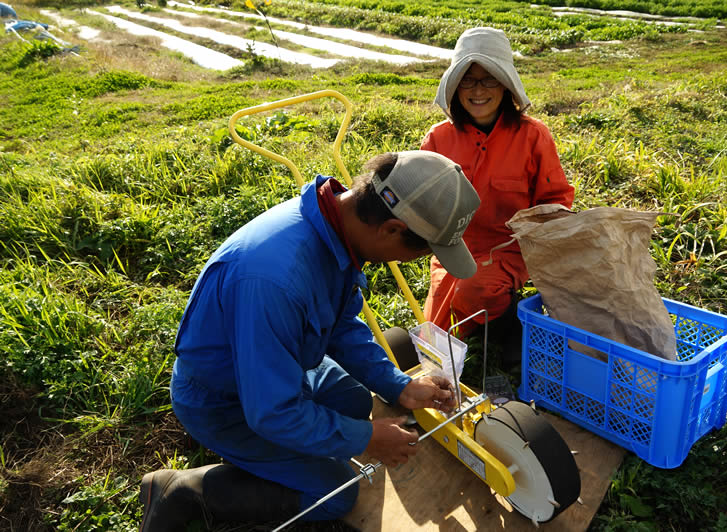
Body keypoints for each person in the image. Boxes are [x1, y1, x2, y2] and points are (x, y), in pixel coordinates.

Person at [139, 151, 480, 531]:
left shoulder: (336, 226)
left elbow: (340, 326)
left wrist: (398, 385)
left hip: (288, 366)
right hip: (224, 401)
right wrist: (365, 438)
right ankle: (184, 490)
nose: (416, 260)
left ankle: (278, 458)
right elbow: (271, 411)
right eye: (422, 252)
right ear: (392, 230)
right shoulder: (274, 279)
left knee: (353, 400)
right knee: (336, 493)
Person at [421, 27, 575, 347]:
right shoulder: (438, 139)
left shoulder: (533, 136)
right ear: (455, 85)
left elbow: (556, 198)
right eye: (468, 79)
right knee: (434, 333)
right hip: (454, 249)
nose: (478, 90)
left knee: (474, 289)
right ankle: (481, 324)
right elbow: (421, 201)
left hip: (511, 250)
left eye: (489, 78)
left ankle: (507, 329)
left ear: (505, 85)